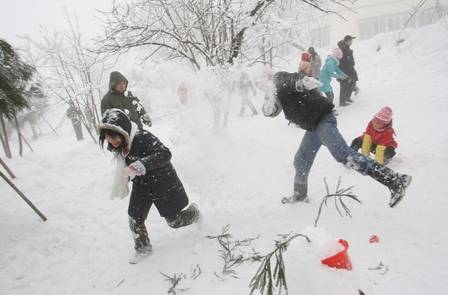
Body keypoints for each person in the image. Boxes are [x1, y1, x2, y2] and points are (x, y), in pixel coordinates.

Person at [258, 70, 411, 208]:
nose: (262, 84)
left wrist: (302, 82)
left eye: (263, 80)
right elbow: (271, 112)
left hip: (322, 119)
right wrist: (269, 103)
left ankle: (396, 181)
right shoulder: (273, 94)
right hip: (314, 126)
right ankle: (300, 194)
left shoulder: (279, 79)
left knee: (343, 154)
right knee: (301, 160)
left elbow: (293, 79)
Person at [98, 108, 201, 263]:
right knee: (134, 217)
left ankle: (195, 214)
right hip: (142, 184)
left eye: (114, 136)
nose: (111, 141)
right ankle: (143, 248)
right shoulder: (119, 146)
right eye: (107, 137)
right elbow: (125, 162)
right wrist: (126, 176)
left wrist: (141, 164)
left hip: (163, 181)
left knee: (174, 221)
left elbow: (165, 154)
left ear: (124, 131)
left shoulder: (143, 138)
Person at [337, 35, 359, 106]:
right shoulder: (342, 49)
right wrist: (350, 62)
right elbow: (343, 60)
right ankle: (342, 101)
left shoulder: (346, 48)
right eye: (351, 41)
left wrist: (351, 62)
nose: (352, 42)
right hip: (344, 70)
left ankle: (347, 98)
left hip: (349, 69)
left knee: (352, 83)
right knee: (344, 85)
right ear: (347, 41)